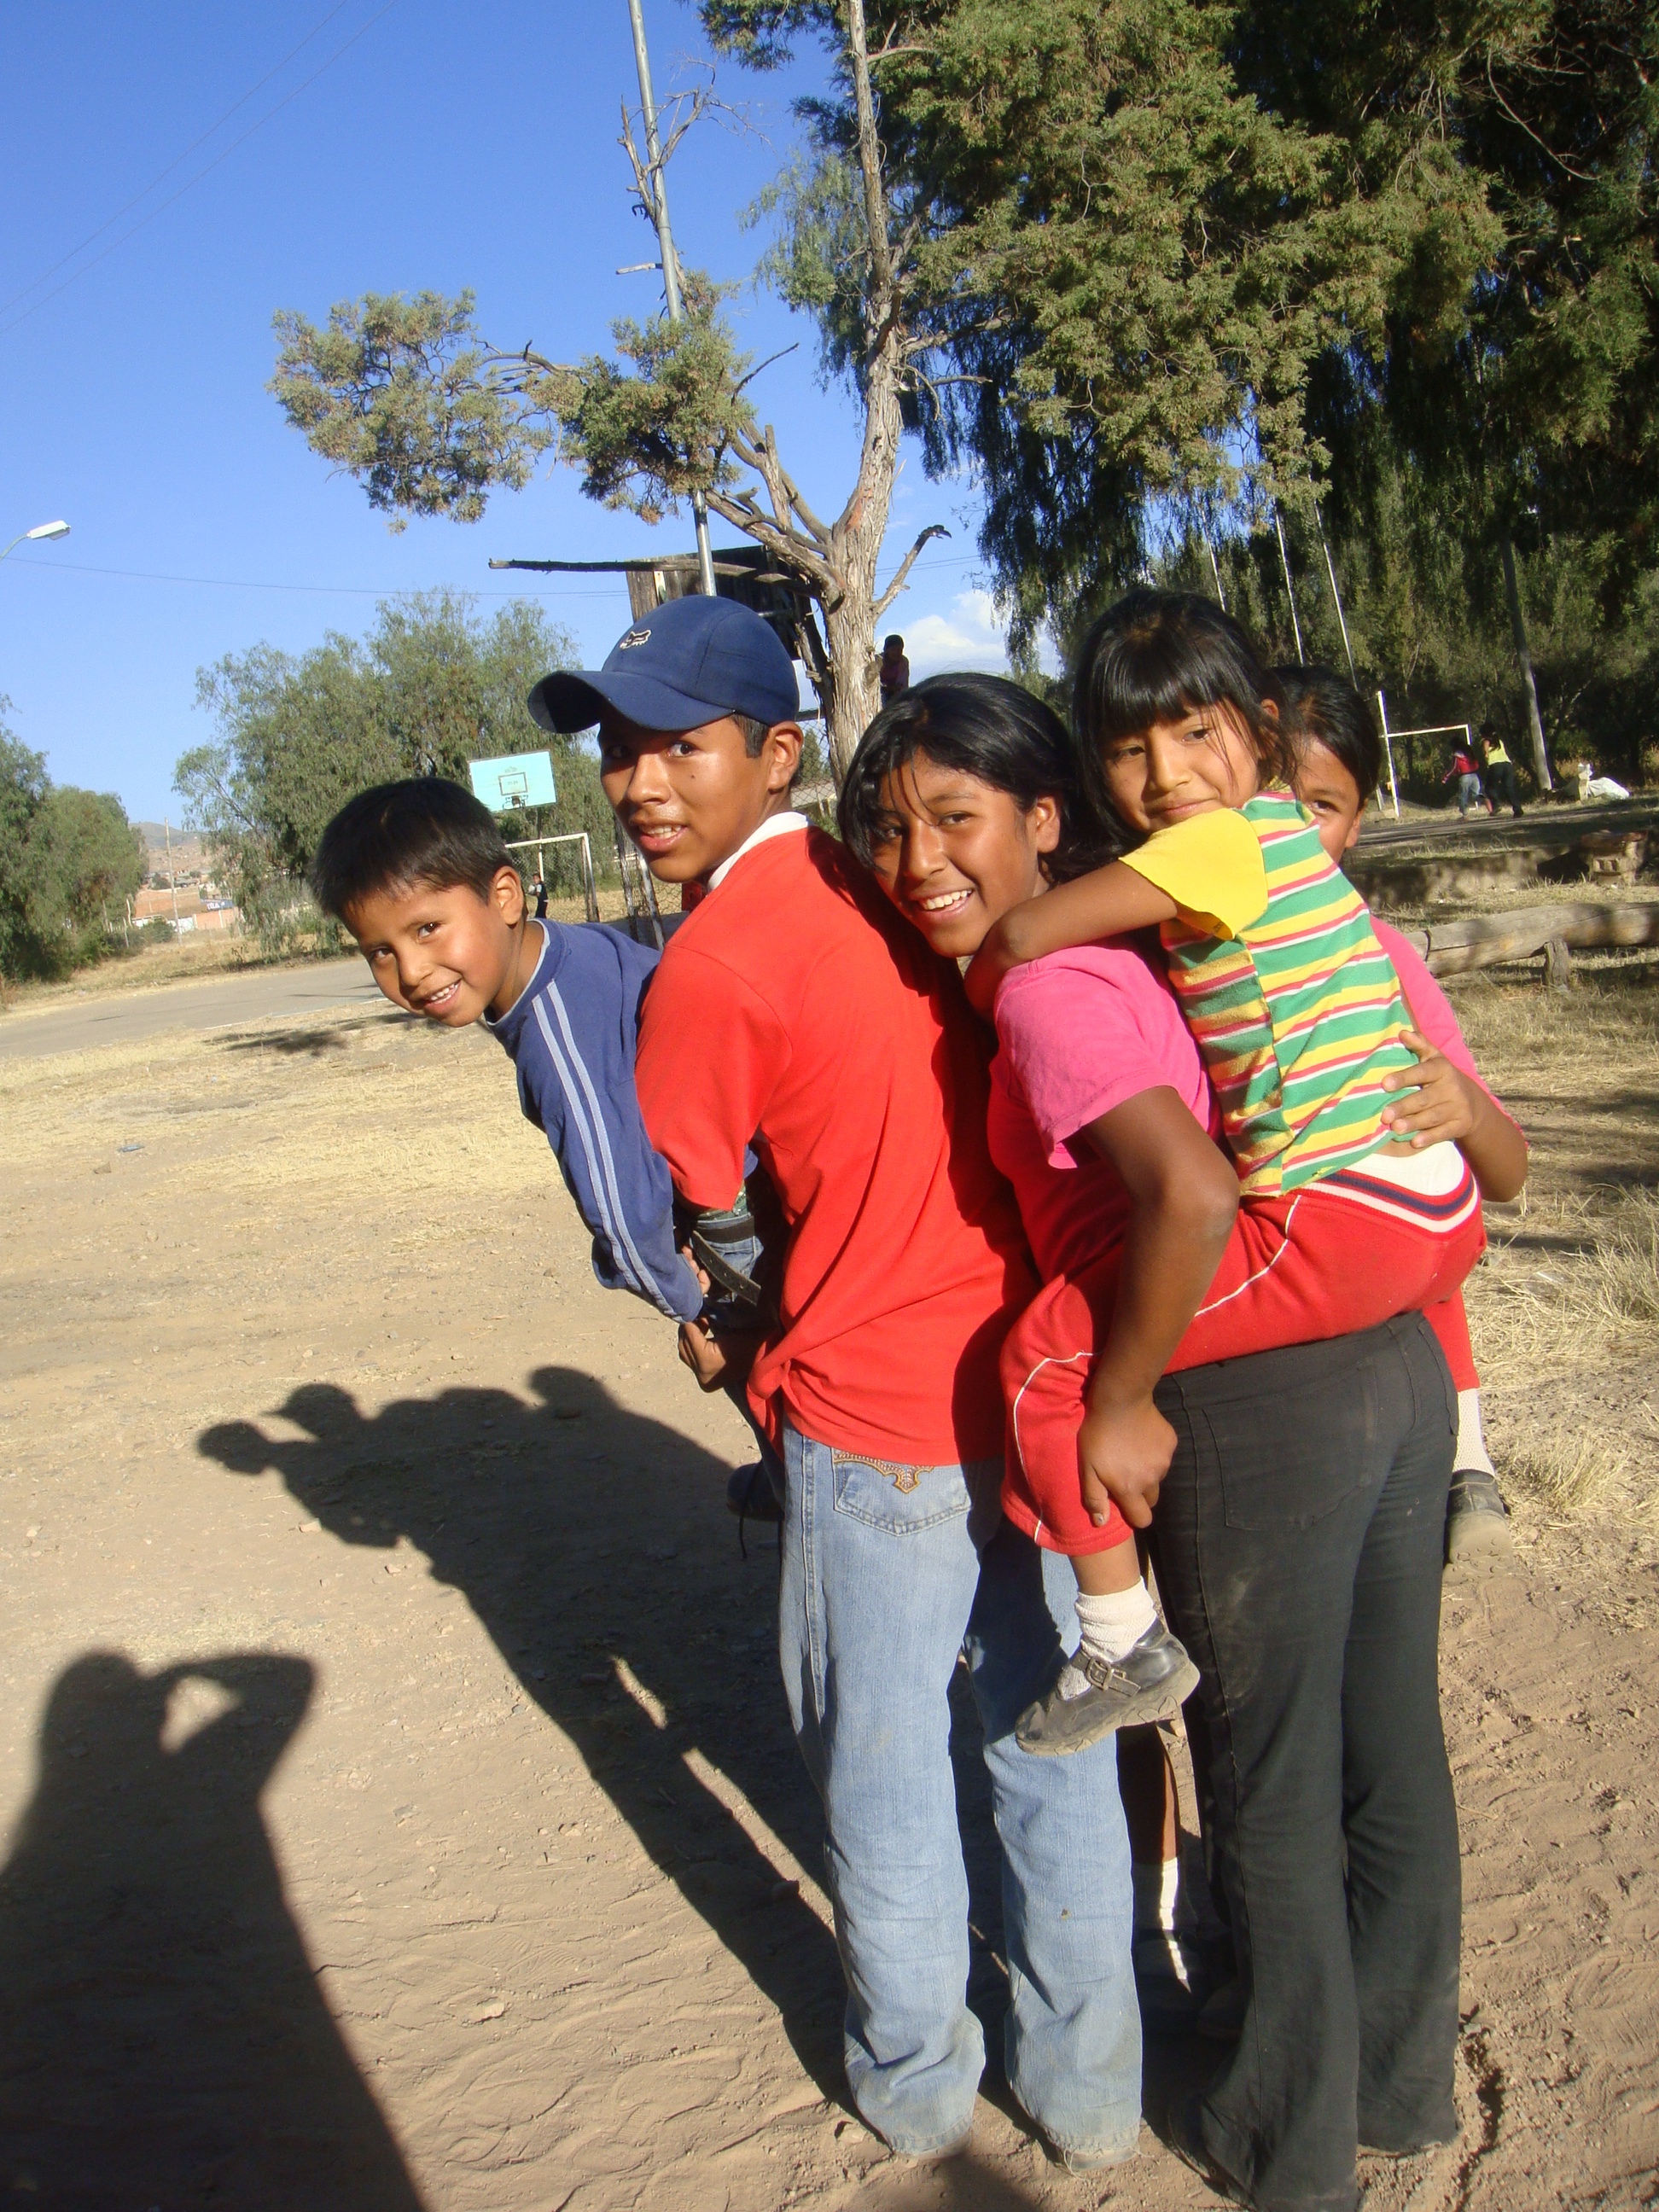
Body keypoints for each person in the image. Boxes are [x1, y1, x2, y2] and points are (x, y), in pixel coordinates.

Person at [839, 655, 1477, 2212]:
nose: (917, 860)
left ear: (1045, 818)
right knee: (1383, 1745)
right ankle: (1396, 2090)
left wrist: (1114, 1391)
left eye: (955, 817)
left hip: (1257, 1396)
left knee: (1261, 1777)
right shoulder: (1180, 928)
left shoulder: (1057, 979)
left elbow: (1184, 1194)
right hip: (1384, 1347)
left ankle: (1283, 2138)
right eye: (885, 829)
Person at [532, 592, 1144, 2173]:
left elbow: (690, 1200)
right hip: (1026, 1379)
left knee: (878, 1770)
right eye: (617, 748)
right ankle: (1089, 2092)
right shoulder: (885, 880)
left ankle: (918, 2082)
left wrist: (740, 1310)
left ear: (775, 752)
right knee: (1045, 1728)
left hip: (874, 1416)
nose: (637, 780)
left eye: (679, 744)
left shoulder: (715, 959)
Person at [962, 594, 1494, 1748]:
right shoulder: (1283, 844)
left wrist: (1126, 1396)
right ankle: (1471, 1449)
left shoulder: (1215, 843)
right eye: (1129, 749)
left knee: (1043, 1364)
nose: (1164, 775)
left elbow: (1022, 936)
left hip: (1345, 1209)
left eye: (1193, 733)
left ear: (1253, 730)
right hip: (1420, 1192)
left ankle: (1118, 1642)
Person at [308, 776, 783, 1511]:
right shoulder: (575, 952)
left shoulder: (554, 1032)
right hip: (758, 1176)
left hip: (737, 1217)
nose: (410, 972)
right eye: (379, 950)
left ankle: (801, 1486)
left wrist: (696, 1315)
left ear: (504, 896)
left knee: (758, 1375)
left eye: (427, 928)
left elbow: (624, 1211)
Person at [1278, 666, 1527, 1567]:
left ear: (1358, 820)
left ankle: (1467, 1456)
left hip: (1372, 1245)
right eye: (1269, 796)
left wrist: (1459, 1114)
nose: (1290, 830)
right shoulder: (1171, 947)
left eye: (1320, 806)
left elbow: (1503, 1170)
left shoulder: (1378, 954)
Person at [1480, 725, 1525, 816]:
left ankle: (1496, 805)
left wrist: (1486, 755)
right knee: (1509, 788)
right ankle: (1518, 809)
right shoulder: (1499, 741)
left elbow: (1486, 751)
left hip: (1495, 765)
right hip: (1507, 765)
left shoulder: (1485, 740)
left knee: (1489, 787)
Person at [1441, 741, 1488, 818]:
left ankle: (1465, 814)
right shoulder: (1470, 752)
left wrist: (1445, 778)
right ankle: (1486, 801)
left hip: (1464, 776)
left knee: (1463, 795)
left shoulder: (1457, 755)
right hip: (1474, 775)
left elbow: (1454, 768)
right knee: (1476, 794)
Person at [879, 632, 911, 704]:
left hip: (895, 693)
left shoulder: (903, 662)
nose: (896, 653)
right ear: (886, 650)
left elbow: (903, 685)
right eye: (893, 650)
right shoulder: (878, 660)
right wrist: (888, 688)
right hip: (878, 692)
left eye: (899, 650)